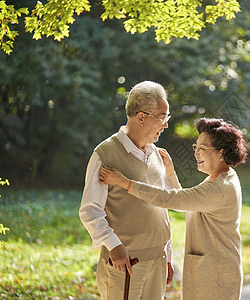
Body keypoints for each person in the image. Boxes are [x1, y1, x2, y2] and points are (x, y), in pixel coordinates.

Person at [99, 118, 247, 300]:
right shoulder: (220, 178)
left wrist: (125, 183)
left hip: (216, 273)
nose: (196, 153)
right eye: (196, 147)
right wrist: (170, 174)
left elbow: (172, 199)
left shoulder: (220, 188)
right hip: (212, 268)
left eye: (203, 149)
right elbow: (188, 202)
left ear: (222, 153)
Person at [79, 81, 175, 300]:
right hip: (126, 263)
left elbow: (162, 207)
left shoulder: (156, 154)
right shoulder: (105, 154)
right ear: (141, 117)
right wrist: (114, 246)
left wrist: (167, 255)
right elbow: (90, 211)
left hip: (157, 261)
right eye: (162, 117)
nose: (166, 125)